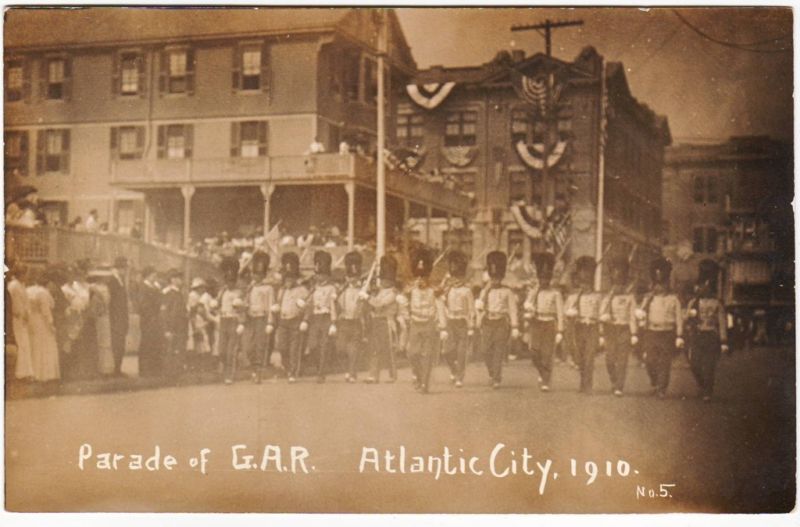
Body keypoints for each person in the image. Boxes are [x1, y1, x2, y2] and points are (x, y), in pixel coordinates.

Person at [401, 248, 447, 394]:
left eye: (423, 277)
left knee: (426, 355)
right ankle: (418, 375)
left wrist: (444, 327)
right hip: (415, 324)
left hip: (429, 325)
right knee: (412, 353)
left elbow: (440, 307)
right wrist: (403, 317)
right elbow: (403, 305)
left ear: (428, 277)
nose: (421, 280)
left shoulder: (434, 291)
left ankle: (424, 384)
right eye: (418, 277)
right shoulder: (410, 290)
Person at [637, 257, 684, 399]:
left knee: (664, 362)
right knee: (649, 361)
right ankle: (655, 382)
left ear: (666, 284)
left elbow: (679, 318)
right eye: (656, 284)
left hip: (667, 333)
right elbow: (641, 313)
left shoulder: (674, 299)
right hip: (651, 332)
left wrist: (679, 335)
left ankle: (661, 389)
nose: (659, 287)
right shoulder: (648, 298)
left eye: (662, 284)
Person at [475, 251, 520, 389]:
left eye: (498, 278)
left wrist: (515, 327)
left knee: (498, 351)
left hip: (501, 323)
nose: (495, 281)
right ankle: (492, 373)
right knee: (485, 350)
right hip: (488, 322)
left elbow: (512, 310)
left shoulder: (507, 292)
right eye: (493, 278)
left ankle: (496, 379)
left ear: (501, 278)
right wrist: (478, 320)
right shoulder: (484, 292)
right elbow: (480, 309)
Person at [686, 260, 728, 402]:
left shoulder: (717, 303)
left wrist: (723, 341)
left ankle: (707, 392)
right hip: (697, 335)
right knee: (694, 364)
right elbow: (686, 318)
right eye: (702, 286)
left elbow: (722, 322)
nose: (703, 289)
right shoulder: (694, 302)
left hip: (711, 336)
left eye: (706, 286)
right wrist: (690, 316)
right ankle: (702, 385)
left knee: (709, 366)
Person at [598, 257, 638, 397]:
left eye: (620, 283)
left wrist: (634, 334)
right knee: (610, 360)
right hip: (610, 330)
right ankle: (614, 379)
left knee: (622, 359)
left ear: (624, 283)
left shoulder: (629, 297)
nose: (618, 286)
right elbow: (601, 313)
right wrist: (603, 324)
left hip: (624, 330)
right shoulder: (607, 297)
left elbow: (632, 316)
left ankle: (619, 386)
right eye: (615, 283)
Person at [525, 252, 564, 393]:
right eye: (541, 278)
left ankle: (546, 380)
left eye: (546, 279)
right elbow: (527, 304)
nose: (544, 281)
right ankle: (542, 372)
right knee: (534, 352)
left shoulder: (556, 294)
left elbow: (560, 313)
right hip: (536, 323)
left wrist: (560, 330)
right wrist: (528, 306)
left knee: (547, 354)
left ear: (550, 279)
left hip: (549, 324)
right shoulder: (534, 292)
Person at [363, 255, 400, 384]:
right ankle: (373, 375)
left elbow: (379, 304)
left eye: (385, 279)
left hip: (387, 323)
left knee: (388, 350)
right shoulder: (379, 290)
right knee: (375, 348)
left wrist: (367, 297)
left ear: (391, 280)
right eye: (382, 279)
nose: (383, 281)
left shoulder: (393, 293)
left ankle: (392, 375)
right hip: (377, 322)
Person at [274, 252, 309, 383]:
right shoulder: (281, 290)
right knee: (282, 347)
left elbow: (308, 307)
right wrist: (276, 308)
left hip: (295, 321)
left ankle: (293, 371)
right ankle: (287, 367)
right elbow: (278, 303)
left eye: (291, 278)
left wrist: (305, 319)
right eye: (286, 278)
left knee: (294, 348)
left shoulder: (302, 290)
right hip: (283, 322)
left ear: (295, 278)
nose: (288, 280)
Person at [442, 250, 475, 388]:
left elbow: (471, 309)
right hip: (450, 322)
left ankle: (459, 377)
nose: (456, 279)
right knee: (446, 351)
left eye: (458, 276)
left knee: (461, 352)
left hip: (462, 322)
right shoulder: (447, 288)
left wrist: (471, 326)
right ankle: (454, 370)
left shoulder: (467, 290)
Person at [304, 250, 338, 383]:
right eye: (317, 274)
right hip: (315, 318)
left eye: (322, 274)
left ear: (327, 275)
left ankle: (321, 372)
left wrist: (333, 322)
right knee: (313, 345)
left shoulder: (331, 288)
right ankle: (318, 367)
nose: (319, 277)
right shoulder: (313, 288)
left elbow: (333, 306)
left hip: (326, 317)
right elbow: (309, 303)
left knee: (324, 345)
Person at [242, 251, 274, 383]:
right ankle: (253, 368)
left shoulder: (268, 288)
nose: (256, 276)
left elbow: (271, 305)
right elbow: (245, 302)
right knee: (248, 347)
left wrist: (270, 322)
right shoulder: (250, 288)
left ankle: (258, 372)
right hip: (250, 318)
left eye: (259, 274)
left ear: (263, 275)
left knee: (260, 346)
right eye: (255, 274)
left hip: (261, 318)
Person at [26, 269, 61, 382]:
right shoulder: (43, 292)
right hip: (41, 321)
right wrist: (51, 325)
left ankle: (34, 374)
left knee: (34, 346)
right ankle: (45, 374)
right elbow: (46, 312)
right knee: (45, 346)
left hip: (31, 320)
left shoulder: (28, 290)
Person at [217, 257, 246, 384]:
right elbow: (217, 305)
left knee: (230, 350)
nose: (230, 283)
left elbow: (242, 308)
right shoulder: (222, 292)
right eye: (228, 281)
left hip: (234, 320)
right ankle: (224, 372)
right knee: (221, 350)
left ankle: (230, 374)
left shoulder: (239, 293)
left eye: (232, 281)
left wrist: (241, 322)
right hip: (223, 320)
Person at [337, 251, 365, 383]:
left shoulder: (363, 289)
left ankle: (352, 372)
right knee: (341, 348)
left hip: (356, 322)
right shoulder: (341, 289)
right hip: (343, 322)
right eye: (350, 276)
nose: (352, 279)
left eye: (355, 276)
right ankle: (347, 369)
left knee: (353, 350)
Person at [86, 268, 114, 377]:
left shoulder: (104, 288)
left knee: (105, 341)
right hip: (99, 316)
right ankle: (101, 368)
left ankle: (105, 368)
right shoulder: (93, 288)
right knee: (101, 340)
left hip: (105, 315)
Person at [8, 264, 34, 381]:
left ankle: (25, 372)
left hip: (23, 319)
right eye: (26, 274)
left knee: (25, 345)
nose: (27, 277)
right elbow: (16, 305)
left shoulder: (20, 285)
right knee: (22, 344)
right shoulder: (14, 286)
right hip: (18, 319)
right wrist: (23, 314)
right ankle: (21, 373)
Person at [138, 266, 164, 377]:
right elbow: (144, 305)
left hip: (155, 319)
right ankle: (144, 369)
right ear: (148, 275)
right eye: (154, 275)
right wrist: (153, 313)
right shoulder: (143, 287)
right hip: (148, 319)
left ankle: (154, 368)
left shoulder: (154, 287)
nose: (155, 277)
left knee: (155, 343)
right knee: (146, 343)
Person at [161, 269, 188, 378]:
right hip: (172, 327)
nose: (180, 280)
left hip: (180, 327)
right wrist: (167, 329)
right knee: (170, 351)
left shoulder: (178, 293)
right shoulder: (168, 293)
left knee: (178, 350)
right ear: (172, 280)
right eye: (178, 278)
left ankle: (176, 374)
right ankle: (169, 374)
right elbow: (164, 312)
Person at [107, 256, 130, 376]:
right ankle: (115, 370)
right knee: (116, 344)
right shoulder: (113, 280)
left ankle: (117, 369)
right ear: (120, 268)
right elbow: (112, 302)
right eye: (125, 268)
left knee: (120, 344)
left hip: (120, 318)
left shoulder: (119, 280)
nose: (126, 271)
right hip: (115, 319)